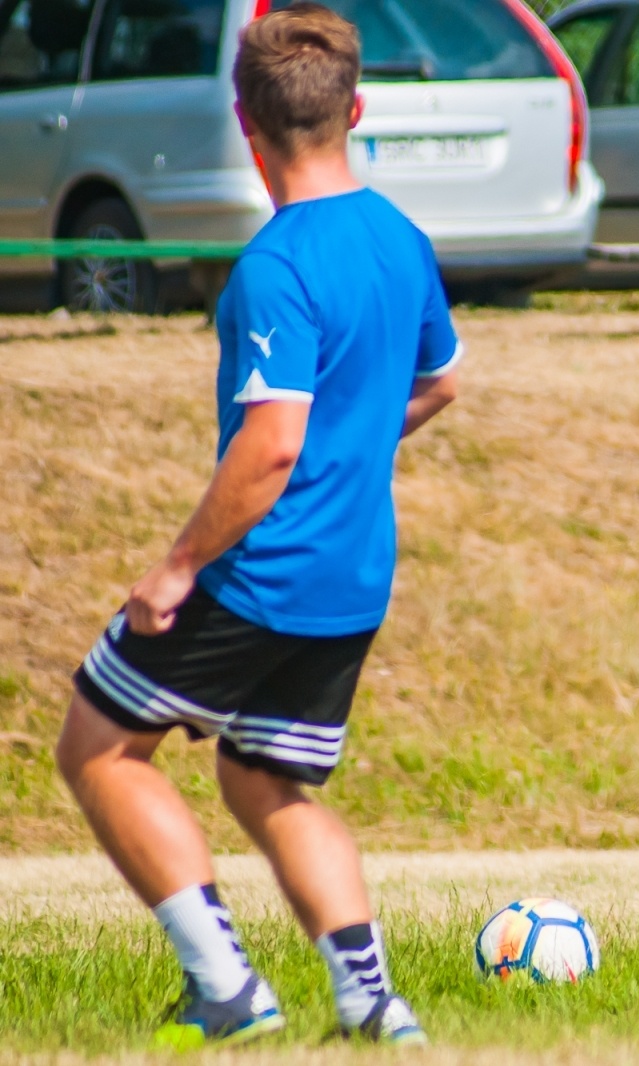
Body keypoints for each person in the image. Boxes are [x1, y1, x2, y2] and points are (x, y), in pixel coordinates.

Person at [53, 4, 461, 1046]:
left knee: (100, 746)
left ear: (245, 122)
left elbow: (273, 445)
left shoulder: (276, 267)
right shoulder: (400, 238)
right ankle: (372, 1001)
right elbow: (441, 382)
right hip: (355, 577)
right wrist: (356, 449)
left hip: (264, 571)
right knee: (263, 774)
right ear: (356, 109)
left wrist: (177, 564)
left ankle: (226, 985)